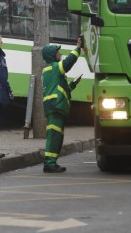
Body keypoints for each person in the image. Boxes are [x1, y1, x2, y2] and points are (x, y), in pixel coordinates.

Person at [41, 37, 83, 173]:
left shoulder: (52, 71)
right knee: (54, 136)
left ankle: (51, 163)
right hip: (55, 107)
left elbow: (63, 89)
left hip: (56, 107)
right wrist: (78, 48)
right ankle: (49, 163)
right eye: (58, 53)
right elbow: (68, 62)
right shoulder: (53, 68)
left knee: (57, 136)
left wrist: (73, 84)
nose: (60, 55)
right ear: (52, 55)